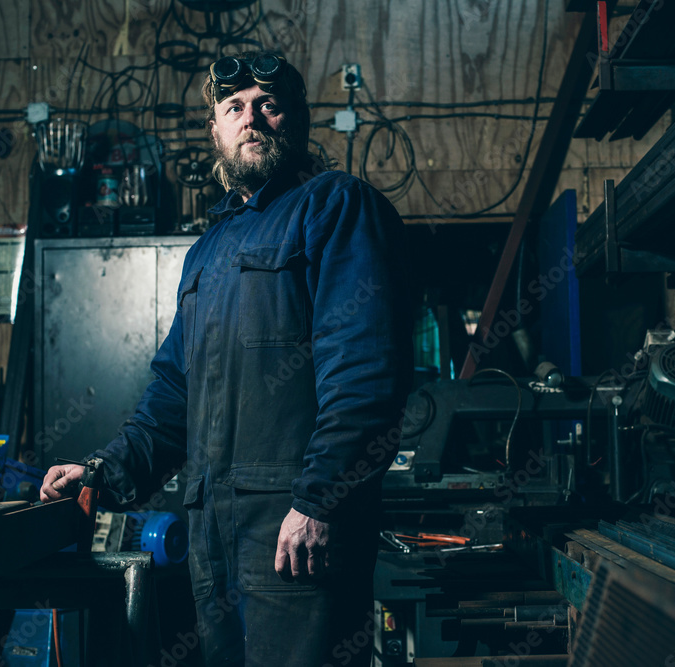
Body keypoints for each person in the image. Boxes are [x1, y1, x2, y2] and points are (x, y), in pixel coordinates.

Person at [41, 50, 414, 666]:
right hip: (214, 534)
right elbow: (172, 396)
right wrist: (104, 469)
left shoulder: (336, 208)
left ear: (294, 120)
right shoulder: (209, 249)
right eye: (233, 108)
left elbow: (366, 374)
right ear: (215, 128)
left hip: (294, 531)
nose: (252, 120)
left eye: (269, 105)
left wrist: (321, 500)